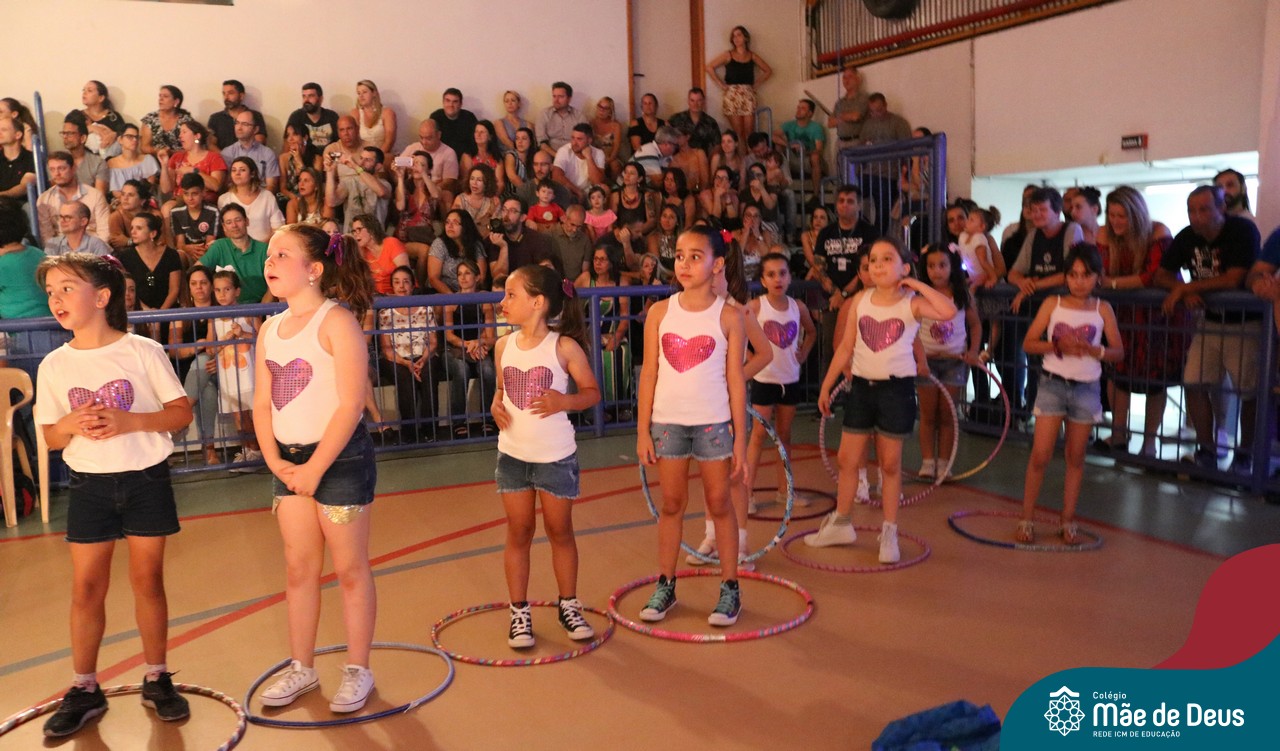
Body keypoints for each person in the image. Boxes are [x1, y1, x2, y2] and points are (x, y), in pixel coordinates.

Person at [33, 253, 193, 738]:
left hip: (146, 480)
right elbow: (51, 436)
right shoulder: (54, 364)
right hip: (90, 486)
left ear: (102, 297)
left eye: (67, 288)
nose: (56, 298)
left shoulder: (142, 351)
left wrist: (129, 421)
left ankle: (157, 676)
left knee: (148, 581)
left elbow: (180, 412)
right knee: (86, 588)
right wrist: (69, 423)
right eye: (51, 291)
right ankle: (85, 687)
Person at [252, 223, 379, 714]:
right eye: (269, 254)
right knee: (299, 567)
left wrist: (315, 469)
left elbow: (351, 404)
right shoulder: (269, 330)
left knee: (349, 568)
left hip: (339, 460)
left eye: (282, 254)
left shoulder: (337, 322)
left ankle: (358, 668)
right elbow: (262, 404)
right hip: (289, 464)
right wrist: (276, 462)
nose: (270, 262)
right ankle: (301, 667)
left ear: (314, 269)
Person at [808, 237, 958, 562]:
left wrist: (915, 284)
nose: (877, 265)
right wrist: (826, 386)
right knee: (847, 459)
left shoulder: (912, 303)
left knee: (890, 464)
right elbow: (846, 347)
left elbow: (948, 311)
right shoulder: (860, 300)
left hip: (896, 391)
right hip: (861, 388)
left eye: (887, 259)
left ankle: (889, 531)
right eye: (873, 260)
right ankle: (841, 522)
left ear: (904, 267)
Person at [635, 226, 747, 626]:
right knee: (671, 504)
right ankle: (666, 584)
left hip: (713, 424)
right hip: (668, 423)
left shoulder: (729, 316)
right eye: (680, 255)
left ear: (717, 265)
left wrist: (740, 440)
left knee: (720, 503)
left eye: (695, 256)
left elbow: (736, 381)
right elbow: (649, 373)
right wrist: (642, 430)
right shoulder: (659, 313)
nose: (684, 263)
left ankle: (730, 586)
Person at [491, 265, 601, 648]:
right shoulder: (503, 346)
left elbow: (591, 392)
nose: (502, 302)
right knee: (519, 531)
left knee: (560, 531)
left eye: (511, 295)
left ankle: (568, 604)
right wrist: (495, 404)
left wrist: (563, 402)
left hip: (555, 457)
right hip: (513, 457)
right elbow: (502, 388)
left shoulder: (563, 347)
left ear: (537, 302)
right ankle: (519, 612)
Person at [1016, 245, 1123, 543]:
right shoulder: (1053, 303)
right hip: (1052, 384)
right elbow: (1028, 343)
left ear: (1098, 277)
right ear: (1065, 277)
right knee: (1040, 455)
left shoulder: (1102, 308)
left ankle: (1068, 519)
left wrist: (1095, 350)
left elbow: (1118, 351)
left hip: (1086, 388)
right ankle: (1027, 517)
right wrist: (1057, 345)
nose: (1079, 281)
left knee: (1076, 457)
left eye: (1086, 275)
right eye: (1073, 275)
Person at [1154, 185, 1262, 472]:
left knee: (1248, 391)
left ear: (1221, 208)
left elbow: (1235, 278)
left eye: (1204, 209)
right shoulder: (1187, 236)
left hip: (1245, 322)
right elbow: (1161, 275)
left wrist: (1187, 288)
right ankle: (1207, 449)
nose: (1197, 216)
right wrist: (1184, 290)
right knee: (1194, 382)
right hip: (1210, 322)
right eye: (1191, 210)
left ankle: (1245, 454)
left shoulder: (1241, 231)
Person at [1095, 186, 1181, 457]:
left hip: (1158, 317)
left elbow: (1152, 276)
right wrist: (1113, 283)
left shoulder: (1158, 232)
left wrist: (1113, 283)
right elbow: (1099, 271)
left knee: (1156, 379)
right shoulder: (1104, 234)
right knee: (1117, 374)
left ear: (1136, 214)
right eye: (1112, 214)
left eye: (1122, 215)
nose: (1116, 221)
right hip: (1121, 316)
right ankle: (1119, 434)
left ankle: (1149, 443)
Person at [744, 252, 815, 508]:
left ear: (789, 277)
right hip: (765, 379)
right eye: (771, 275)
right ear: (763, 280)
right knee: (758, 435)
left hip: (790, 378)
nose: (778, 279)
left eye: (782, 273)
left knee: (784, 436)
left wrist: (803, 353)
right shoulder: (756, 307)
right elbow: (737, 337)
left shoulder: (798, 307)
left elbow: (811, 332)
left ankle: (785, 491)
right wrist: (752, 359)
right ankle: (746, 493)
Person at [915, 244, 981, 479]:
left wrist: (973, 351)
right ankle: (927, 462)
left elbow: (975, 325)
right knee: (928, 414)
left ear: (952, 266)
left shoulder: (962, 296)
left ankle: (944, 463)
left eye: (942, 265)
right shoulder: (920, 296)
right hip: (926, 364)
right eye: (931, 266)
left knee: (948, 414)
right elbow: (912, 330)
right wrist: (918, 357)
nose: (937, 271)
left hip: (955, 362)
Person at [377, 266, 447, 443]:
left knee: (429, 372)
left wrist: (423, 358)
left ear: (413, 285)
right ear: (392, 286)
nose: (401, 286)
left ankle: (430, 429)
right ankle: (409, 432)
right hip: (396, 358)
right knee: (403, 377)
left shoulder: (425, 309)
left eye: (406, 282)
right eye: (397, 282)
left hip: (423, 355)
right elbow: (386, 348)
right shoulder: (385, 312)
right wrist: (405, 362)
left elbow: (433, 342)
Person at [169, 265, 221, 466]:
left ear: (211, 285)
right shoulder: (181, 314)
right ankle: (209, 448)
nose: (199, 287)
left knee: (204, 360)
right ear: (188, 287)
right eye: (194, 283)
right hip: (190, 372)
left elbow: (222, 347)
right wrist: (194, 348)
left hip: (218, 369)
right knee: (207, 391)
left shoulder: (220, 310)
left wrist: (218, 360)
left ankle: (182, 411)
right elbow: (173, 351)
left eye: (203, 283)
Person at [210, 268, 261, 467]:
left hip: (249, 374)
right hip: (228, 376)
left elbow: (262, 338)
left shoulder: (248, 313)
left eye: (227, 289)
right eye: (218, 290)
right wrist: (226, 338)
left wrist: (242, 334)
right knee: (238, 417)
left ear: (237, 291)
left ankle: (258, 450)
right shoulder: (214, 317)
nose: (222, 294)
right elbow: (210, 348)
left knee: (252, 415)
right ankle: (248, 450)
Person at [443, 259, 497, 436]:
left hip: (480, 347)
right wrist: (469, 344)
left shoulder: (484, 299)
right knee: (461, 370)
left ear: (477, 277)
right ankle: (458, 421)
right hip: (455, 349)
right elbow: (449, 336)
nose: (463, 277)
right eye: (460, 274)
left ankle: (488, 418)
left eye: (467, 273)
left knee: (488, 369)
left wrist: (478, 343)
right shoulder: (451, 301)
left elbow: (490, 334)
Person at [575, 244, 631, 411]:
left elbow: (625, 316)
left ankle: (619, 406)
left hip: (613, 332)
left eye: (602, 260)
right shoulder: (586, 279)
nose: (597, 263)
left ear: (612, 262)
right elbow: (571, 304)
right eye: (595, 259)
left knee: (621, 352)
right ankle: (595, 410)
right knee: (593, 354)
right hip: (588, 334)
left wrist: (617, 337)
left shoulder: (622, 282)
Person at [707, 25, 772, 145]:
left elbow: (768, 70)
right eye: (733, 36)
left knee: (749, 132)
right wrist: (721, 84)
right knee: (739, 133)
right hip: (732, 95)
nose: (736, 38)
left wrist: (756, 85)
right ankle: (742, 155)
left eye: (739, 35)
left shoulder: (752, 55)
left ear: (745, 38)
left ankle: (751, 155)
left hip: (748, 95)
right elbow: (709, 67)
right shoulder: (728, 55)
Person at [199, 203, 272, 303]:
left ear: (246, 221)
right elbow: (197, 272)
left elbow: (274, 284)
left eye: (238, 220)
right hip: (228, 308)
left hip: (262, 307)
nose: (234, 225)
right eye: (229, 222)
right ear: (224, 227)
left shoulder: (264, 249)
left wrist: (263, 308)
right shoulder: (219, 247)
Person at [116, 213, 183, 319]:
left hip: (168, 313)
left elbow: (174, 290)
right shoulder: (125, 256)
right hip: (139, 314)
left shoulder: (171, 255)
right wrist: (147, 312)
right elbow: (127, 287)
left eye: (139, 228)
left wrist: (160, 315)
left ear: (152, 234)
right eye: (132, 227)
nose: (133, 232)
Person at [37, 151, 111, 244]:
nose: (57, 173)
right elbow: (46, 236)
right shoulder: (44, 199)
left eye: (61, 168)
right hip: (61, 248)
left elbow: (105, 232)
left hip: (92, 246)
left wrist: (96, 250)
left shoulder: (95, 195)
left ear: (73, 168)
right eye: (52, 169)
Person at [391, 151, 439, 279]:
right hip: (405, 237)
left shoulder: (432, 189)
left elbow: (436, 195)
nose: (417, 167)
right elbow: (400, 206)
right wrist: (400, 178)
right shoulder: (405, 188)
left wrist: (423, 174)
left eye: (422, 164)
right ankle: (419, 286)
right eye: (415, 163)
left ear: (429, 169)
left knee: (427, 248)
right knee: (424, 250)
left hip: (425, 236)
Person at [327, 142, 392, 233]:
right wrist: (330, 172)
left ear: (378, 166)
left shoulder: (384, 184)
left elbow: (381, 192)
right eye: (361, 158)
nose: (361, 163)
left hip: (374, 237)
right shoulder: (350, 182)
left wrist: (355, 166)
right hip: (351, 237)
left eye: (367, 160)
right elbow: (331, 202)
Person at [158, 122, 226, 204]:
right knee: (167, 207)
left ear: (197, 136)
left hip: (204, 201)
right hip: (180, 200)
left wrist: (193, 171)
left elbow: (216, 186)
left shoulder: (214, 158)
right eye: (180, 132)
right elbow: (166, 189)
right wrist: (164, 165)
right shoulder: (177, 157)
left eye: (184, 132)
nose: (180, 136)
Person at [218, 157, 284, 242]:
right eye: (234, 170)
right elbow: (225, 231)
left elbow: (278, 229)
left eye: (242, 170)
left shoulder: (267, 196)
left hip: (265, 246)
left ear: (252, 174)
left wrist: (260, 247)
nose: (237, 173)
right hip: (236, 247)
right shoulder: (224, 199)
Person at [487, 196, 554, 277]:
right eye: (504, 210)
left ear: (523, 217)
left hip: (529, 282)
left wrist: (546, 266)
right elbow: (498, 276)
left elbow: (546, 269)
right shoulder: (496, 237)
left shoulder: (535, 239)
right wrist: (503, 247)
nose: (506, 215)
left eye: (513, 211)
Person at [220, 111, 281, 194]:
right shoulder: (226, 153)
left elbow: (271, 186)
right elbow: (225, 185)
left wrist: (258, 199)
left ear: (255, 129)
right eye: (237, 123)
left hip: (261, 196)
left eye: (245, 124)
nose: (239, 127)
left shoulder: (267, 154)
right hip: (235, 197)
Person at [428, 209, 488, 294]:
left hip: (470, 292)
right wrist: (453, 298)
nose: (450, 226)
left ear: (465, 226)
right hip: (445, 294)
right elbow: (433, 278)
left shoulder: (475, 244)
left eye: (455, 223)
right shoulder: (439, 244)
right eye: (447, 222)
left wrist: (467, 293)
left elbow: (481, 277)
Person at [350, 213, 410, 296]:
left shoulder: (392, 243)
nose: (355, 234)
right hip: (375, 298)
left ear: (371, 230)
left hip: (399, 296)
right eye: (353, 231)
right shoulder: (361, 252)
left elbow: (406, 275)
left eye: (359, 229)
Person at [168, 173, 218, 262]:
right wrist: (187, 248)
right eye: (186, 194)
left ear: (203, 192)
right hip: (187, 253)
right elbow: (180, 244)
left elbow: (210, 243)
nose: (190, 198)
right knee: (179, 255)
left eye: (194, 194)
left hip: (208, 253)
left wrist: (200, 252)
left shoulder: (213, 212)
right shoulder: (176, 212)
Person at [206, 79, 267, 151]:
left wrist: (243, 157)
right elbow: (210, 144)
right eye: (224, 93)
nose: (226, 97)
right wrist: (224, 156)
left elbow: (260, 141)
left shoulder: (255, 115)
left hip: (249, 156)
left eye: (230, 93)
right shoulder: (215, 118)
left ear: (241, 96)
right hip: (222, 156)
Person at [774, 99, 825, 185]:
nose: (798, 110)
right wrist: (789, 145)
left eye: (802, 108)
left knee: (815, 157)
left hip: (807, 158)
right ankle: (780, 186)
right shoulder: (789, 124)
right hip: (791, 157)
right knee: (778, 145)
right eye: (798, 107)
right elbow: (773, 135)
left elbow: (819, 149)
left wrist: (804, 150)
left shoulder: (816, 128)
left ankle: (816, 192)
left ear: (810, 113)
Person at [68, 80, 125, 157]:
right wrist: (90, 128)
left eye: (89, 90)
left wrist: (115, 134)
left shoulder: (113, 117)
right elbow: (69, 137)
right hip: (83, 159)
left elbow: (126, 135)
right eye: (83, 90)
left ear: (101, 98)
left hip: (110, 159)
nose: (84, 93)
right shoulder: (77, 115)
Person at [552, 123, 606, 203]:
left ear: (589, 140)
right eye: (573, 138)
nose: (574, 143)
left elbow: (597, 181)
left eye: (579, 139)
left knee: (605, 189)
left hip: (590, 192)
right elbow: (556, 176)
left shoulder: (598, 153)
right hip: (569, 190)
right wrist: (578, 191)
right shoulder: (564, 151)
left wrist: (589, 157)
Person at [107, 123, 161, 199]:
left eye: (137, 137)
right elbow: (116, 192)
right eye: (130, 137)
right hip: (121, 202)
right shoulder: (111, 163)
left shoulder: (148, 159)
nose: (135, 140)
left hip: (144, 200)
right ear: (120, 140)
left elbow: (149, 188)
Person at [59, 118, 109, 195]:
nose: (65, 137)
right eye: (64, 133)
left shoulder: (98, 163)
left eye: (70, 133)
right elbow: (56, 192)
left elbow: (99, 195)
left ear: (83, 138)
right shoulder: (57, 161)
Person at [285, 82, 341, 150]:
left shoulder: (332, 116)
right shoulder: (296, 117)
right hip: (305, 156)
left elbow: (340, 143)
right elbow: (287, 144)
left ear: (320, 99)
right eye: (304, 96)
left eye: (311, 96)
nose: (306, 100)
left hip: (329, 155)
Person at [140, 85, 193, 156]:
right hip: (156, 159)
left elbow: (193, 146)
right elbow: (144, 147)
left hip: (181, 158)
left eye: (165, 96)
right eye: (160, 96)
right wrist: (158, 151)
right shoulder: (150, 119)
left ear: (176, 101)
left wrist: (171, 152)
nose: (160, 99)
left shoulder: (186, 120)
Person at [45, 201, 112, 257]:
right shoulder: (53, 243)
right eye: (60, 217)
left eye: (67, 217)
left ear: (83, 221)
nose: (62, 221)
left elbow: (104, 268)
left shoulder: (96, 245)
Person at [537, 81, 586, 156]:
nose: (556, 100)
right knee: (540, 156)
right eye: (554, 96)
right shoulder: (544, 114)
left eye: (560, 97)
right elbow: (542, 143)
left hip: (573, 154)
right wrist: (558, 156)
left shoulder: (579, 116)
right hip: (550, 154)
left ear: (569, 99)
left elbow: (584, 141)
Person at [108, 179, 159, 252]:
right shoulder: (116, 217)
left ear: (142, 201)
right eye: (123, 194)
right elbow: (118, 245)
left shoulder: (155, 215)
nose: (125, 198)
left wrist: (129, 241)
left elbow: (160, 243)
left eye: (130, 195)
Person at [669, 88, 722, 155]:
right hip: (679, 159)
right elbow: (666, 135)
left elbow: (717, 145)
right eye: (692, 100)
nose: (695, 104)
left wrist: (711, 159)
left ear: (703, 101)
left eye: (699, 100)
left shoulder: (711, 122)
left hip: (702, 159)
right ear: (688, 101)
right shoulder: (676, 118)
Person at [958, 205, 1001, 289]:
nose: (966, 221)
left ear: (982, 227)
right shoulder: (964, 237)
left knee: (972, 288)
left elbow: (984, 261)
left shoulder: (979, 238)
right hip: (975, 275)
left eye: (971, 220)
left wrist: (992, 278)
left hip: (985, 275)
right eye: (968, 218)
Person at [278, 123, 324, 203]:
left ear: (305, 137)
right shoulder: (283, 158)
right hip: (291, 199)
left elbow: (316, 186)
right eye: (288, 135)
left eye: (295, 134)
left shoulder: (317, 159)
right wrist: (296, 199)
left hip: (311, 198)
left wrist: (300, 162)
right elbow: (283, 188)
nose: (290, 139)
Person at [461, 120, 508, 196]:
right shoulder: (468, 156)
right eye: (476, 132)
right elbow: (465, 181)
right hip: (472, 195)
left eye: (482, 132)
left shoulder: (497, 158)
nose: (478, 134)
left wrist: (491, 198)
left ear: (490, 137)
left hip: (492, 195)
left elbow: (500, 183)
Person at [431, 88, 479, 160]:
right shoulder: (435, 117)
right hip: (441, 157)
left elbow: (475, 141)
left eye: (455, 102)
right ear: (443, 102)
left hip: (464, 158)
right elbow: (431, 141)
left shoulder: (469, 117)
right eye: (448, 101)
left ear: (460, 104)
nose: (451, 105)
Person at [352, 79, 397, 156]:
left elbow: (389, 141)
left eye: (364, 92)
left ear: (374, 93)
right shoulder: (355, 113)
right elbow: (353, 139)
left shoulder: (387, 113)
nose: (361, 96)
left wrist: (375, 157)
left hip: (383, 155)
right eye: (359, 93)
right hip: (362, 155)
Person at [829, 66, 870, 147]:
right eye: (844, 77)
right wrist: (847, 117)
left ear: (858, 80)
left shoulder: (864, 98)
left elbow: (855, 117)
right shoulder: (840, 102)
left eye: (850, 77)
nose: (846, 80)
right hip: (840, 142)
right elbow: (830, 123)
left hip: (857, 142)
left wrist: (839, 118)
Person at [452, 164, 501, 231]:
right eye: (472, 179)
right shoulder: (460, 199)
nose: (474, 183)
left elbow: (496, 226)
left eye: (479, 180)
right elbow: (455, 223)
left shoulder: (494, 201)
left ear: (487, 183)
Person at [548, 205, 591, 278]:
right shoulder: (550, 235)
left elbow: (585, 272)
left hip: (576, 283)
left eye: (579, 226)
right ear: (564, 218)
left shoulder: (585, 240)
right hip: (554, 281)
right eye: (572, 224)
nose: (574, 230)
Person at [0, 115, 37, 202]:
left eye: (3, 130)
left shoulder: (31, 158)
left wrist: (2, 195)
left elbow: (25, 187)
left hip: (22, 204)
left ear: (18, 135)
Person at [589, 97, 625, 180]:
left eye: (606, 108)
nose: (602, 110)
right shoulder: (591, 123)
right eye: (600, 107)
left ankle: (615, 186)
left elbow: (616, 146)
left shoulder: (616, 125)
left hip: (611, 156)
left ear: (610, 111)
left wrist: (609, 159)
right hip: (595, 156)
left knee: (615, 165)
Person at [504, 127, 538, 194]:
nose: (520, 142)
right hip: (513, 194)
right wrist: (528, 193)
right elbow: (512, 177)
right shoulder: (511, 155)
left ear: (531, 141)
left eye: (524, 138)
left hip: (533, 193)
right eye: (517, 138)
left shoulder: (535, 155)